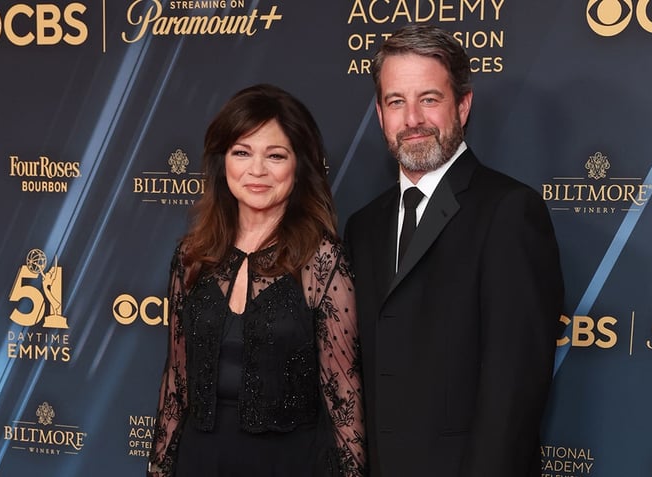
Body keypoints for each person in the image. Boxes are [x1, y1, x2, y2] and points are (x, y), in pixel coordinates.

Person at [344, 25, 564, 476]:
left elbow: (514, 388)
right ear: (380, 114)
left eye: (429, 99)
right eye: (396, 102)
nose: (412, 120)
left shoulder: (509, 211)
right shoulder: (363, 227)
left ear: (462, 105)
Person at [148, 84, 365, 477]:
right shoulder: (192, 256)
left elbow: (344, 399)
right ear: (222, 162)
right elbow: (176, 386)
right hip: (199, 462)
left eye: (275, 155)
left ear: (299, 167)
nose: (257, 170)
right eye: (242, 153)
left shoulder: (321, 261)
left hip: (289, 464)